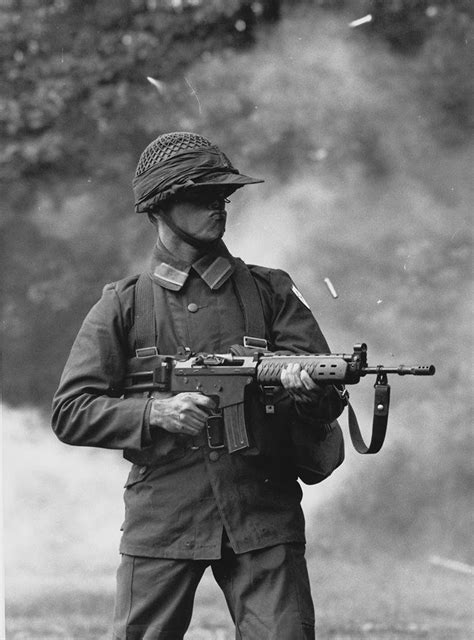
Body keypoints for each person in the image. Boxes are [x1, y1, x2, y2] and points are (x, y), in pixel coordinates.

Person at [52, 131, 345, 640]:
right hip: (164, 517)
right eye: (202, 196)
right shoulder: (123, 306)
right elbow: (71, 411)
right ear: (160, 208)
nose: (219, 206)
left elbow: (324, 396)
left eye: (223, 196)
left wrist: (312, 394)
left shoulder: (269, 291)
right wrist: (152, 413)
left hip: (262, 512)